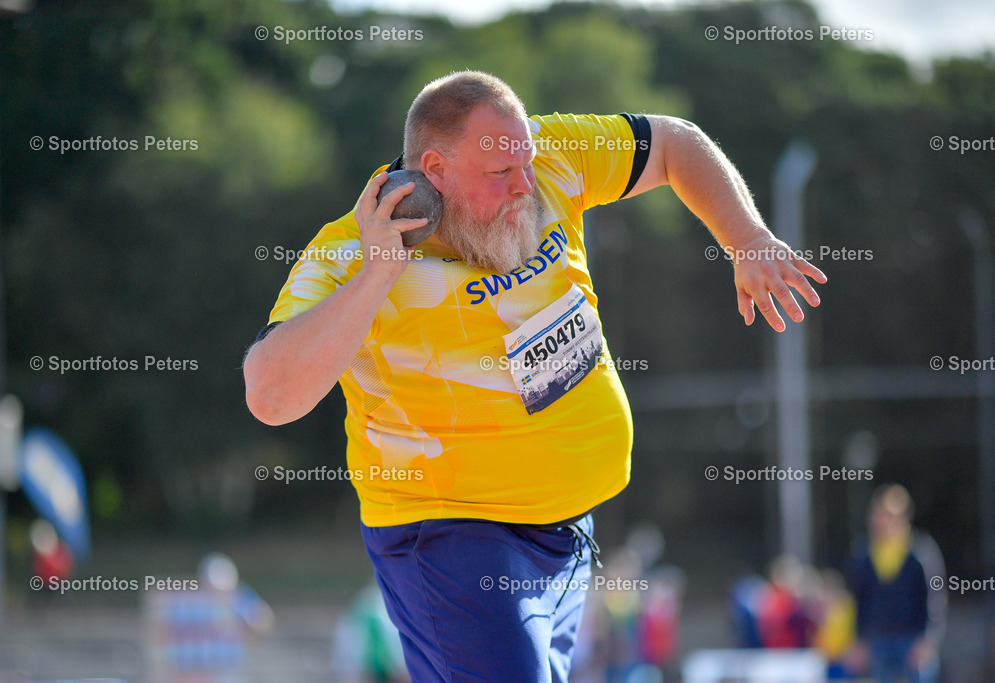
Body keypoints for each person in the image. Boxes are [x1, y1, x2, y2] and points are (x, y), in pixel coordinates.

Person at [243, 70, 826, 682]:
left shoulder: (544, 157)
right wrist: (378, 276)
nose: (527, 185)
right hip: (451, 536)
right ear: (433, 172)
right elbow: (270, 394)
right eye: (500, 174)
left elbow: (676, 143)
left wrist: (746, 237)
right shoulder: (349, 254)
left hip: (567, 532)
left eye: (525, 161)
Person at [845, 484, 946, 683]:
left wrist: (928, 640)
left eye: (889, 515)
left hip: (913, 640)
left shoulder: (921, 553)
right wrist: (859, 640)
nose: (883, 521)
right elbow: (858, 600)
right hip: (878, 640)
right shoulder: (863, 554)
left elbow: (935, 599)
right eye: (879, 515)